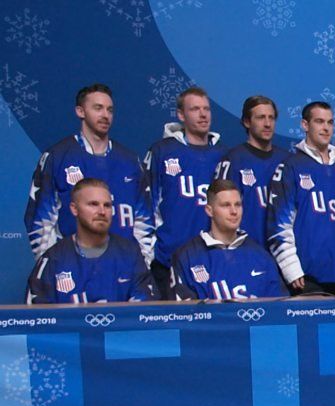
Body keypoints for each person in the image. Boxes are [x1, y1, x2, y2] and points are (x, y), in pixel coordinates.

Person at [25, 83, 152, 261]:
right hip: (73, 265)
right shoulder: (57, 157)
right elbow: (41, 222)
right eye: (98, 108)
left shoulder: (130, 161)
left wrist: (141, 263)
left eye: (109, 110)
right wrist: (54, 266)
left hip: (123, 266)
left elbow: (144, 220)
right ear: (80, 111)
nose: (105, 115)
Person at [267, 102, 335, 295]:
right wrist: (291, 269)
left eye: (330, 122)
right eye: (319, 121)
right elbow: (279, 225)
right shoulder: (291, 166)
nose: (326, 128)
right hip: (308, 278)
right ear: (305, 125)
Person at [144, 86, 227, 298]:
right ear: (181, 115)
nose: (203, 114)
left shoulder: (223, 154)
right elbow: (146, 207)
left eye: (206, 109)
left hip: (214, 260)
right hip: (167, 260)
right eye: (195, 109)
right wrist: (151, 252)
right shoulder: (162, 151)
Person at [27, 178, 155, 304]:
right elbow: (40, 313)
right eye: (93, 204)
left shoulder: (131, 254)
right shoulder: (54, 259)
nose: (102, 211)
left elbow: (143, 310)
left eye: (107, 205)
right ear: (74, 209)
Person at [171, 179, 286, 300]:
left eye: (238, 205)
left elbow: (279, 306)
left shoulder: (262, 256)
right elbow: (183, 309)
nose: (234, 211)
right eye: (226, 205)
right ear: (209, 211)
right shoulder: (186, 257)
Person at [214, 95, 289, 248]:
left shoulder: (288, 161)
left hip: (283, 254)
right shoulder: (233, 161)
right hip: (246, 251)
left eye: (271, 118)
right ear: (247, 122)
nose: (267, 124)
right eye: (261, 118)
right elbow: (221, 213)